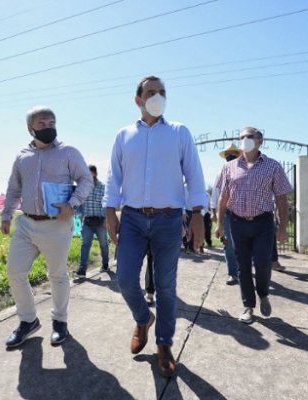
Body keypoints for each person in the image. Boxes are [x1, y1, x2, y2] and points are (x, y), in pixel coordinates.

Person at [103, 76, 207, 377]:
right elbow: (114, 177)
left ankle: (163, 345)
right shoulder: (124, 135)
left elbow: (194, 175)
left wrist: (197, 213)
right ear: (138, 99)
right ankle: (142, 318)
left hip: (169, 219)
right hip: (133, 218)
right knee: (124, 278)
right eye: (151, 92)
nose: (157, 96)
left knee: (165, 286)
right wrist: (111, 211)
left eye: (162, 92)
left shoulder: (179, 132)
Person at [0, 106, 93, 348]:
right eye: (42, 123)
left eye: (52, 122)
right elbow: (13, 188)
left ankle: (60, 322)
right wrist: (6, 215)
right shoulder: (22, 157)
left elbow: (86, 179)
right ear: (30, 128)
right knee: (15, 272)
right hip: (26, 223)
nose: (48, 126)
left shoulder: (68, 152)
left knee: (57, 275)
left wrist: (72, 204)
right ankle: (28, 321)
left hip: (57, 225)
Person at [215, 127, 292, 325]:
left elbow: (282, 198)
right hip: (237, 222)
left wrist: (282, 227)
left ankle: (263, 294)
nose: (245, 140)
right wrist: (219, 224)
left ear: (260, 141)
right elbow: (223, 198)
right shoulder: (229, 168)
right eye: (241, 137)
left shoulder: (272, 166)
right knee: (242, 267)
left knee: (262, 263)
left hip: (263, 222)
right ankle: (248, 306)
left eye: (249, 137)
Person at [210, 143, 242, 285]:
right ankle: (233, 274)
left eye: (233, 154)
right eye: (228, 155)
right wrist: (214, 212)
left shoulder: (246, 171)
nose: (230, 157)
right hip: (227, 213)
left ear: (238, 155)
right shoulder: (221, 173)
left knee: (243, 243)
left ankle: (243, 269)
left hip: (243, 213)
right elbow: (216, 194)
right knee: (228, 243)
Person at [77, 165, 110, 277]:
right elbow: (79, 203)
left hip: (101, 222)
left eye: (90, 174)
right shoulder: (82, 188)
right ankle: (82, 269)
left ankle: (105, 264)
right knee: (85, 245)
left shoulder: (103, 187)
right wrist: (80, 215)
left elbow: (106, 204)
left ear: (95, 174)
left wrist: (107, 219)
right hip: (87, 221)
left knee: (103, 244)